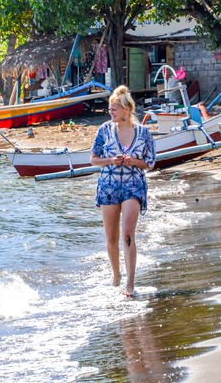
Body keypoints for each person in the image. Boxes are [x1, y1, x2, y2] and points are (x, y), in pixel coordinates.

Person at [90, 85, 156, 297]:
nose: (111, 113)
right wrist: (111, 160)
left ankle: (130, 283)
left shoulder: (144, 133)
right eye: (110, 109)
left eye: (114, 109)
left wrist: (134, 161)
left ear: (127, 109)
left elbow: (151, 162)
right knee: (111, 238)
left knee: (127, 233)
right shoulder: (104, 130)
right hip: (108, 186)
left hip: (133, 185)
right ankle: (116, 275)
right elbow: (93, 159)